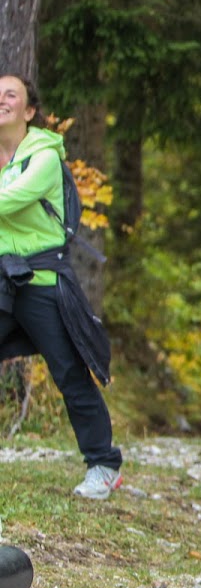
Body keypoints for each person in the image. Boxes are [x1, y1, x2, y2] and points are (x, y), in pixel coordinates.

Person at [0, 74, 122, 499]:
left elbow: (11, 199)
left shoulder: (45, 156)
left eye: (10, 95)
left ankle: (103, 465)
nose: (1, 101)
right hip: (3, 279)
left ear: (29, 110)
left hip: (42, 281)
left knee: (69, 371)